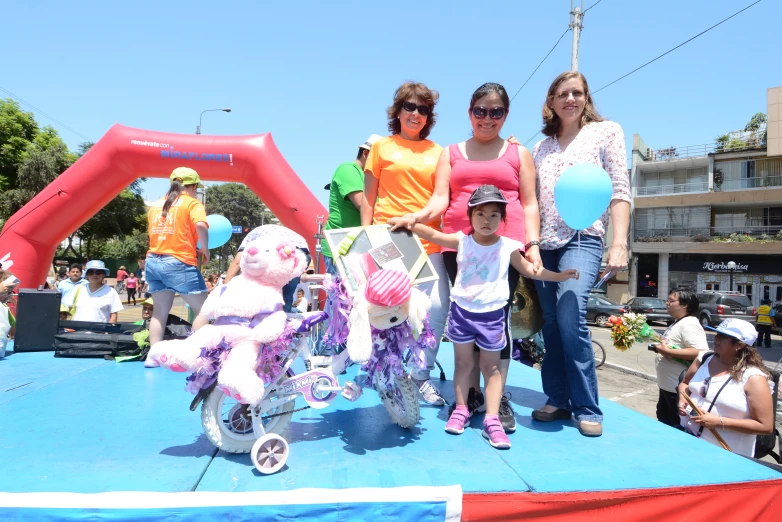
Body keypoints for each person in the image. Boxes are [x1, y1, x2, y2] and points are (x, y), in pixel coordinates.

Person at [390, 185, 578, 449]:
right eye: (480, 214)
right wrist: (408, 222)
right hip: (461, 313)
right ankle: (462, 409)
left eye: (493, 215)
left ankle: (492, 419)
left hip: (492, 317)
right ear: (470, 217)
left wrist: (558, 276)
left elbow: (530, 270)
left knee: (491, 369)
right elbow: (432, 233)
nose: (486, 220)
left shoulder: (510, 247)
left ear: (502, 220)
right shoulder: (461, 241)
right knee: (463, 366)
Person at [401, 82, 541, 432]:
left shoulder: (518, 153)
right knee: (466, 322)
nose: (487, 118)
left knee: (498, 322)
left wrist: (533, 244)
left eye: (496, 112)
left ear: (505, 115)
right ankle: (474, 395)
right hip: (458, 247)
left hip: (503, 249)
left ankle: (498, 396)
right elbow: (440, 199)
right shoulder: (451, 152)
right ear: (470, 113)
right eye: (480, 111)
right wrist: (417, 218)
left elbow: (529, 202)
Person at [530, 71, 631, 437]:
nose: (570, 99)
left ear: (586, 98)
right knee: (552, 323)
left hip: (583, 238)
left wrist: (618, 243)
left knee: (571, 310)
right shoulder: (540, 148)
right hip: (545, 244)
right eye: (562, 94)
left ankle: (587, 407)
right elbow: (532, 202)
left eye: (577, 93)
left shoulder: (606, 132)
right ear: (551, 102)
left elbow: (620, 190)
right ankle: (557, 398)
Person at [360, 81, 449, 406]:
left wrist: (416, 221)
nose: (415, 114)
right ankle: (388, 375)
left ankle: (420, 377)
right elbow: (368, 200)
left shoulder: (439, 152)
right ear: (397, 111)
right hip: (387, 240)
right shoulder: (382, 147)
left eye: (423, 109)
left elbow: (442, 198)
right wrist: (364, 240)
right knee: (385, 310)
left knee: (436, 309)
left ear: (429, 116)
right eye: (409, 107)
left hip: (427, 242)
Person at [678, 318, 774, 458]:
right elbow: (685, 383)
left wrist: (719, 422)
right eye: (716, 333)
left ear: (739, 345)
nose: (716, 338)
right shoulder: (704, 358)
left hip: (725, 454)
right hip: (686, 439)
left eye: (723, 336)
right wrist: (682, 399)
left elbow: (765, 426)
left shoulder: (754, 378)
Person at [144, 167, 210, 367]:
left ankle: (153, 356)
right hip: (179, 260)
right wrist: (205, 249)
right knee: (204, 310)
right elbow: (201, 225)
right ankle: (194, 355)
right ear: (194, 186)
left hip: (153, 260)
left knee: (159, 311)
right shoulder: (192, 203)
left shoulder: (156, 205)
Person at [321, 134, 381, 276]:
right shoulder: (348, 169)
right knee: (342, 296)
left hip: (361, 247)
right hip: (341, 247)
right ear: (366, 154)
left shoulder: (373, 178)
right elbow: (363, 204)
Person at [650, 288, 709, 427]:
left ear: (685, 305)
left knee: (675, 425)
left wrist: (669, 352)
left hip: (676, 389)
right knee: (664, 421)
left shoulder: (689, 323)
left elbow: (701, 351)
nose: (667, 303)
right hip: (667, 386)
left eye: (671, 300)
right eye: (667, 300)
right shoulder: (678, 322)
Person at [224, 224, 311, 312]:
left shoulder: (250, 239)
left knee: (261, 290)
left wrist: (224, 286)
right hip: (302, 251)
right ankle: (283, 320)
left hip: (278, 248)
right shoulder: (260, 233)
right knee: (286, 295)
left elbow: (237, 261)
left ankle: (261, 319)